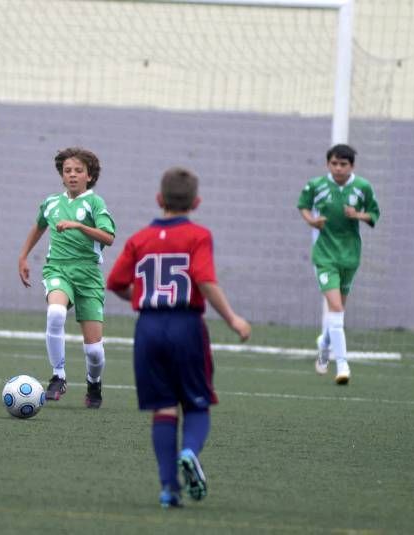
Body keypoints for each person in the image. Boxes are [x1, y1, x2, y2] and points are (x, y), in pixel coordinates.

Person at [106, 167, 250, 508]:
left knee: (164, 408)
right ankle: (189, 451)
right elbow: (204, 280)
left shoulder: (139, 239)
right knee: (197, 402)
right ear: (196, 202)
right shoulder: (198, 235)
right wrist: (232, 318)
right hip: (185, 325)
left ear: (159, 199)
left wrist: (142, 296)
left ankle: (169, 489)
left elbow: (114, 282)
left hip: (148, 327)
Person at [18, 147, 115, 408]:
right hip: (58, 269)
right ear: (61, 176)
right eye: (67, 171)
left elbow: (109, 237)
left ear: (90, 176)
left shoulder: (95, 203)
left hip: (88, 275)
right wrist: (24, 256)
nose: (72, 175)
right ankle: (58, 376)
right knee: (56, 314)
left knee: (94, 352)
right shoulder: (51, 203)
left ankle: (94, 384)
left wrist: (80, 226)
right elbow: (38, 227)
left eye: (78, 171)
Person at [297, 144, 380, 384]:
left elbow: (374, 214)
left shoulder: (363, 187)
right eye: (334, 163)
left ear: (351, 166)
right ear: (328, 164)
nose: (338, 168)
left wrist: (358, 215)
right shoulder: (316, 185)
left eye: (343, 164)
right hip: (324, 256)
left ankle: (323, 344)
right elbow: (302, 205)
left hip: (350, 256)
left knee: (338, 312)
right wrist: (312, 221)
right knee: (336, 309)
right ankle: (342, 365)